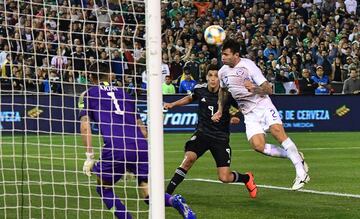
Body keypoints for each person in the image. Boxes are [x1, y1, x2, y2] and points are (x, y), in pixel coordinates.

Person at [79, 63, 196, 219]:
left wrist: (89, 155)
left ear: (91, 77)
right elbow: (142, 128)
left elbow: (85, 125)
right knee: (149, 194)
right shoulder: (125, 94)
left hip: (116, 146)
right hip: (140, 145)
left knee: (104, 188)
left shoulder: (89, 94)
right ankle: (174, 200)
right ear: (110, 75)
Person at [211, 39, 309, 190]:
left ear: (236, 55)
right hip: (248, 114)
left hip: (263, 106)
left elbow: (268, 89)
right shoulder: (223, 71)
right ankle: (295, 155)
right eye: (222, 54)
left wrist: (254, 89)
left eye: (226, 54)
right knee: (258, 146)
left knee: (277, 132)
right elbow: (222, 92)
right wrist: (219, 109)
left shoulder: (248, 66)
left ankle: (301, 173)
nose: (222, 57)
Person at [164, 64, 257, 198]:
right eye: (210, 75)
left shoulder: (227, 94)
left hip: (221, 137)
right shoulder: (200, 89)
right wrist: (172, 104)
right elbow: (190, 98)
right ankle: (166, 195)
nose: (213, 79)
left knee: (224, 177)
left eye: (216, 76)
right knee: (189, 158)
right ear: (206, 77)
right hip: (202, 133)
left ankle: (246, 178)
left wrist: (235, 117)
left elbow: (241, 108)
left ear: (220, 78)